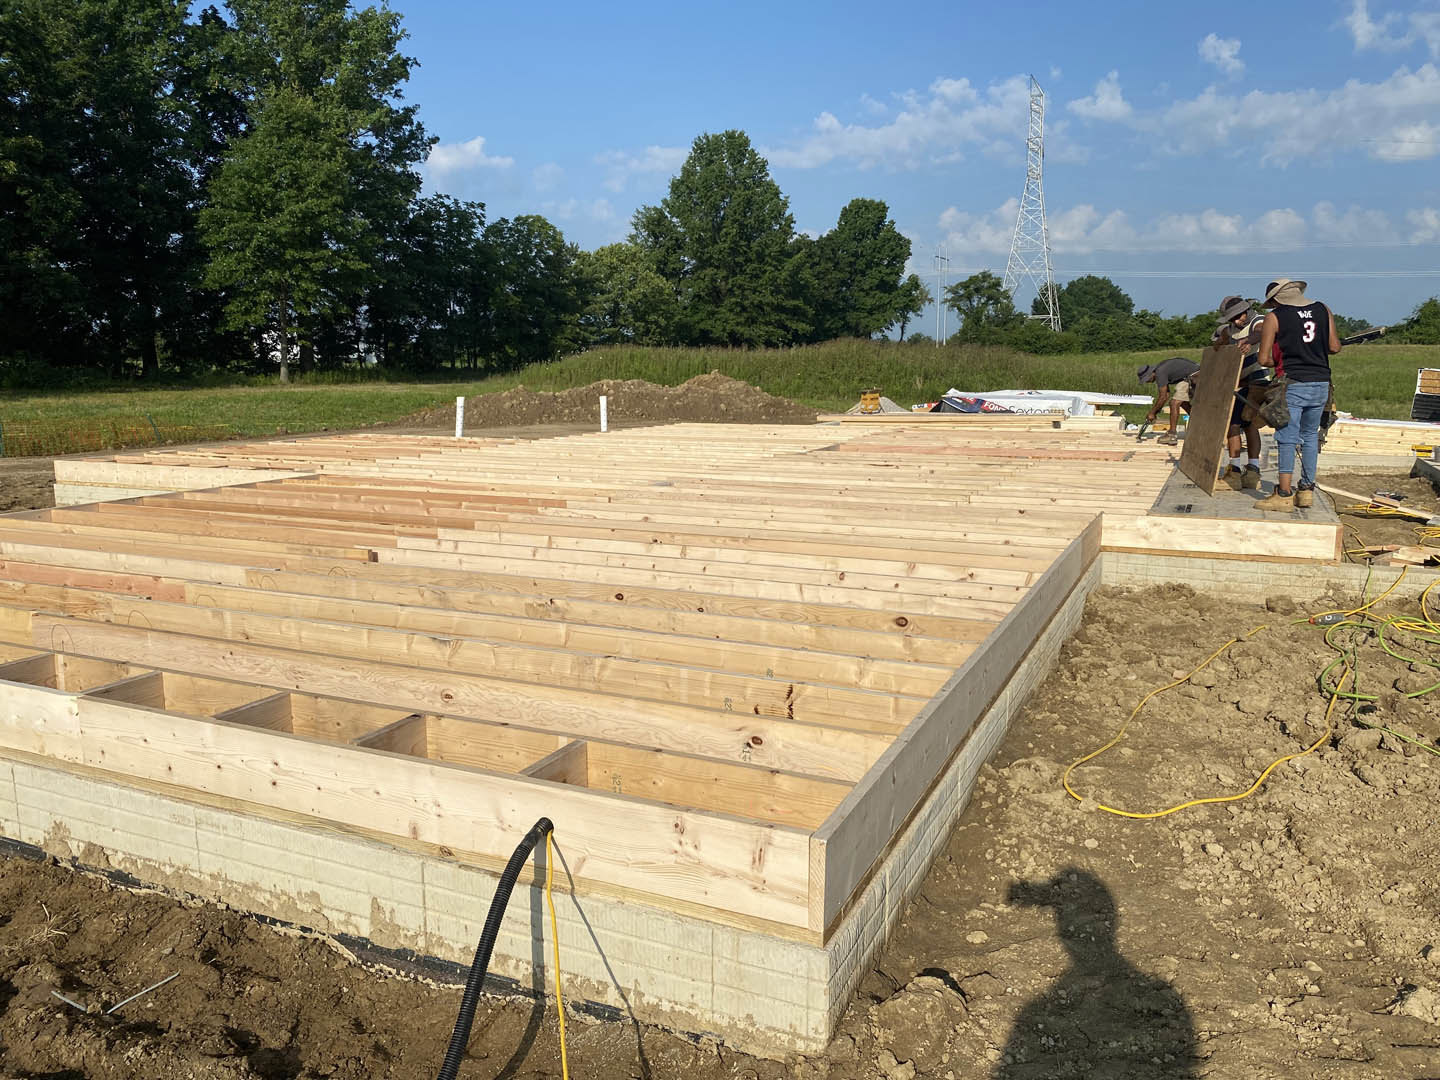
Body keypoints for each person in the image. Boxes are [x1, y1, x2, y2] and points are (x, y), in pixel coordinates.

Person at [1253, 278, 1342, 511]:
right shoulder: (1323, 309)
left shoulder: (1275, 317)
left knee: (1286, 437)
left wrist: (1278, 359)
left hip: (1292, 382)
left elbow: (1263, 359)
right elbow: (1334, 347)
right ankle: (1306, 491)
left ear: (1276, 299)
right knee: (1311, 436)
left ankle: (1283, 494)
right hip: (1322, 382)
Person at [1211, 295, 1268, 490]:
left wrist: (1248, 340)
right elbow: (1223, 338)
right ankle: (1246, 471)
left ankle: (1240, 472)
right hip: (1241, 381)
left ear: (1246, 310)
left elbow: (1260, 333)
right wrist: (1218, 345)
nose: (1237, 321)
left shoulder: (1257, 320)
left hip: (1259, 380)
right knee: (1242, 424)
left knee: (1239, 424)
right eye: (1232, 318)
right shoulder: (1230, 328)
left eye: (1239, 316)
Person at [1137, 356, 1199, 445]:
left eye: (1147, 379)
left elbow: (1163, 397)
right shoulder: (1161, 370)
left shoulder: (1160, 373)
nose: (1148, 382)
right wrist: (1155, 411)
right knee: (1183, 403)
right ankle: (1199, 425)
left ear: (1151, 373)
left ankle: (1172, 435)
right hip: (1193, 375)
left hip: (1195, 376)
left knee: (1174, 403)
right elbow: (1166, 395)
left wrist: (1152, 413)